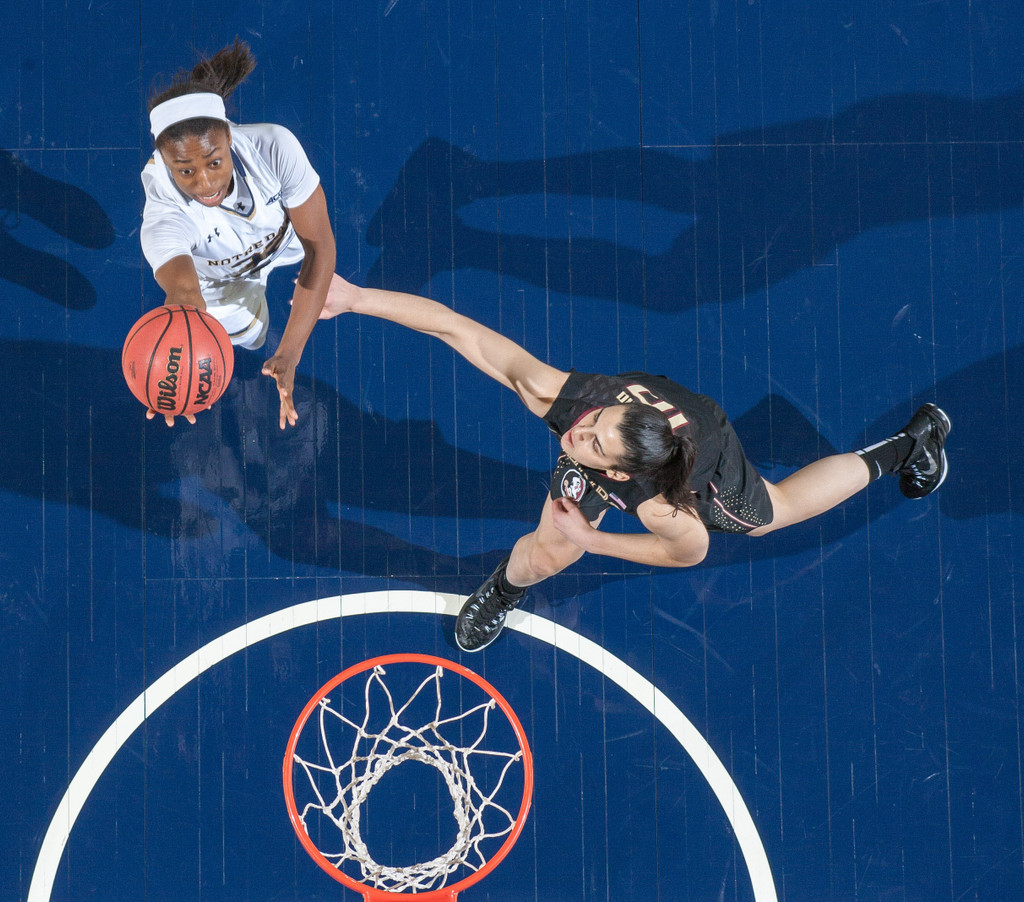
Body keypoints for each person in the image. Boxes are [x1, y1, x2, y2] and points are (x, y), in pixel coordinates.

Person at [331, 277, 950, 652]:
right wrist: (357, 299)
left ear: (620, 477)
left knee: (770, 512)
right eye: (590, 425)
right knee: (548, 552)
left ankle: (909, 447)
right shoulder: (571, 401)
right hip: (659, 411)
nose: (577, 435)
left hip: (702, 445)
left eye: (593, 444)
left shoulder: (666, 503)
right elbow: (456, 329)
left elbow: (689, 552)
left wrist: (595, 543)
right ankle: (506, 587)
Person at [141, 39, 344, 429]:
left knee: (307, 265)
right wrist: (174, 371)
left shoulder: (272, 147)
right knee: (249, 337)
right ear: (164, 161)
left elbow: (319, 249)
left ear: (230, 138)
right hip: (220, 281)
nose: (205, 182)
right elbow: (185, 296)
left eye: (215, 162)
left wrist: (291, 352)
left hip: (284, 246)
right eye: (185, 171)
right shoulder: (164, 214)